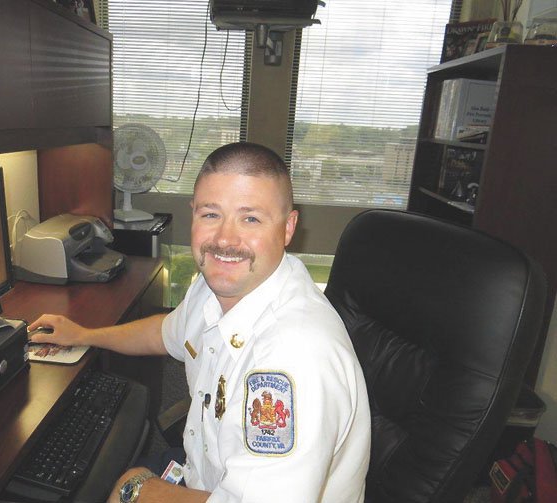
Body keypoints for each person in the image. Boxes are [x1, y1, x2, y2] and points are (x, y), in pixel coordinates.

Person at [29, 142, 371, 503]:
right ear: (193, 213)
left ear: (288, 228)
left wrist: (137, 489)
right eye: (211, 214)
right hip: (206, 474)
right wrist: (85, 334)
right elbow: (164, 332)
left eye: (250, 218)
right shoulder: (218, 288)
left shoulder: (295, 357)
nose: (225, 239)